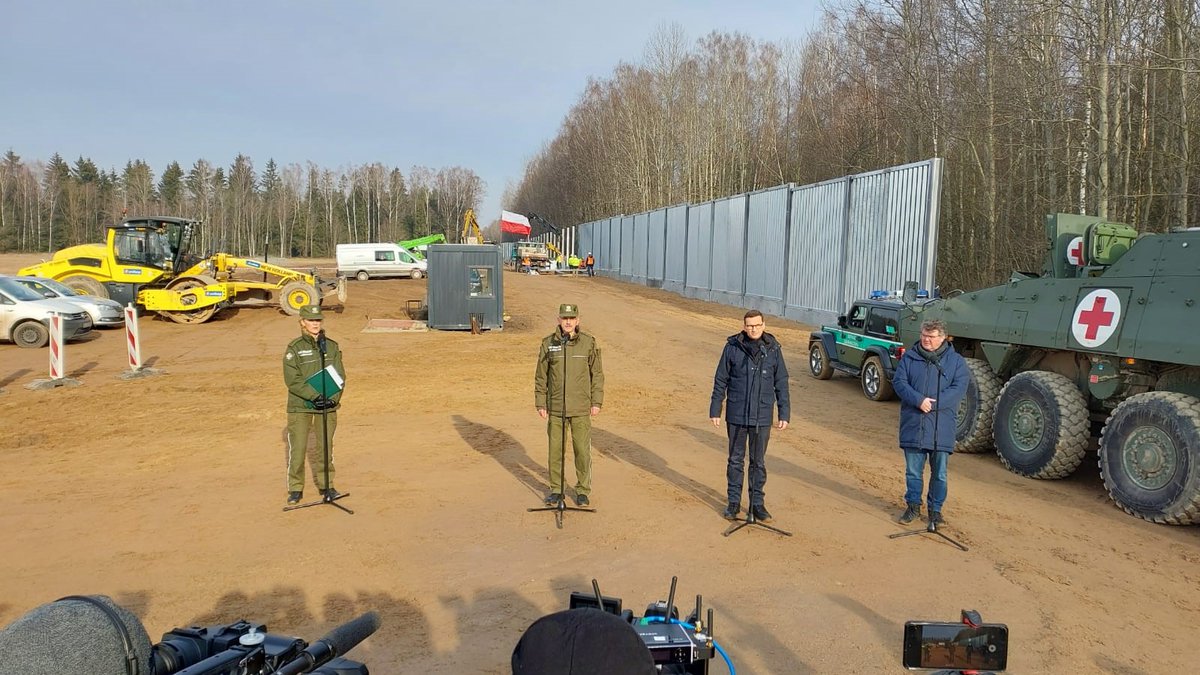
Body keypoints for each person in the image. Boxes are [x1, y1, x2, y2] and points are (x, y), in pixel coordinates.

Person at [709, 310, 790, 522]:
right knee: (735, 460)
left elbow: (781, 382)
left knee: (758, 462)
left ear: (763, 325)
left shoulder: (772, 350)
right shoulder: (732, 347)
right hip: (736, 414)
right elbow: (720, 379)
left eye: (756, 325)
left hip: (762, 416)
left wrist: (784, 412)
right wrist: (716, 408)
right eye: (749, 325)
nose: (753, 329)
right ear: (744, 326)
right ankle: (733, 503)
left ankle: (757, 504)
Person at [892, 318, 969, 525]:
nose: (926, 340)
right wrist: (918, 401)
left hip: (941, 428)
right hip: (914, 425)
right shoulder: (909, 358)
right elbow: (899, 382)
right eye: (924, 335)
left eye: (931, 336)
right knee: (913, 472)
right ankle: (913, 507)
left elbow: (958, 389)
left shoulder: (956, 362)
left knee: (940, 474)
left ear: (942, 338)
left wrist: (932, 405)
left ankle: (935, 511)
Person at [534, 303, 604, 506]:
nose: (568, 322)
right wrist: (540, 402)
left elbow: (597, 375)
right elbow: (541, 376)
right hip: (555, 408)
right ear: (558, 320)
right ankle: (556, 489)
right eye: (564, 318)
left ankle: (582, 490)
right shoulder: (548, 344)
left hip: (581, 408)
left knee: (582, 450)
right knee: (555, 451)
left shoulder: (588, 343)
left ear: (577, 320)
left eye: (571, 318)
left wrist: (596, 401)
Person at [282, 304, 346, 505]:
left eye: (318, 320)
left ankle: (327, 485)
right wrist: (314, 396)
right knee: (298, 448)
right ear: (302, 322)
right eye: (311, 320)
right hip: (301, 405)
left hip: (327, 405)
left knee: (325, 447)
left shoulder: (332, 346)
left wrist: (332, 398)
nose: (315, 324)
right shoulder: (294, 348)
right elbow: (293, 379)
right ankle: (295, 487)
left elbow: (340, 375)